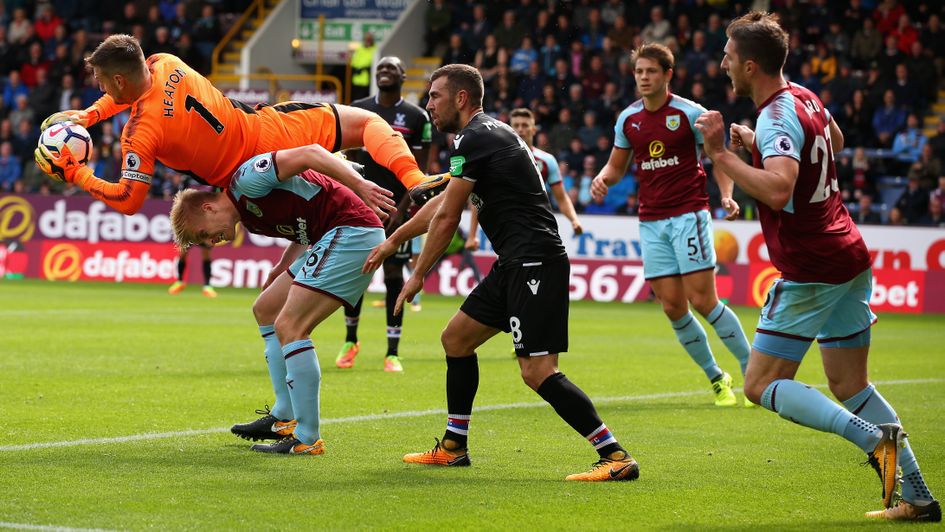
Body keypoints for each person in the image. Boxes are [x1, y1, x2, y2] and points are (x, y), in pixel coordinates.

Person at [695, 11, 938, 521]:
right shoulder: (805, 97)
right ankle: (917, 498)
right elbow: (835, 144)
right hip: (848, 253)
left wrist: (721, 153)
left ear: (751, 64)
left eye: (729, 56)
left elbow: (779, 189)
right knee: (851, 386)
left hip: (813, 266)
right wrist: (757, 144)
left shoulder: (776, 115)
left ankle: (872, 441)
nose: (723, 64)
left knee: (759, 384)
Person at [364, 64, 639, 482]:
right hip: (515, 262)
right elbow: (442, 205)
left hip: (535, 262)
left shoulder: (475, 137)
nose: (429, 105)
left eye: (435, 96)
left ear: (461, 98)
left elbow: (448, 217)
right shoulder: (482, 136)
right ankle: (454, 446)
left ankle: (615, 455)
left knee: (537, 371)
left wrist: (417, 274)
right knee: (456, 339)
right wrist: (392, 241)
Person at [33, 34, 448, 216]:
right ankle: (413, 179)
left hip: (247, 181)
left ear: (119, 80)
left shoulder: (139, 133)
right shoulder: (164, 62)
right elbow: (131, 93)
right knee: (368, 123)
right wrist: (89, 115)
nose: (99, 88)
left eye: (101, 80)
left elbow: (128, 201)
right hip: (268, 131)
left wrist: (79, 174)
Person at [170, 144, 394, 455]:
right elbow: (305, 228)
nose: (210, 242)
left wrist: (360, 185)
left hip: (353, 232)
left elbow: (310, 153)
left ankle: (307, 437)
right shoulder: (249, 218)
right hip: (333, 235)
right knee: (266, 308)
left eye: (202, 234)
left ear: (208, 208)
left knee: (290, 326)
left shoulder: (245, 180)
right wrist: (281, 267)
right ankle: (283, 417)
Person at [590, 43, 751, 407]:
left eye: (651, 71)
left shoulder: (692, 114)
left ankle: (751, 368)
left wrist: (727, 195)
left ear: (667, 75)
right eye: (639, 72)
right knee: (672, 307)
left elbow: (720, 158)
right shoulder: (628, 120)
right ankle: (717, 378)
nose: (644, 77)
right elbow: (616, 166)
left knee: (704, 301)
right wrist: (602, 179)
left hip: (688, 215)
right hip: (651, 221)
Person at [335, 56, 431, 373]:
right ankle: (350, 341)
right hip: (360, 206)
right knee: (356, 274)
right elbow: (346, 161)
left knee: (393, 277)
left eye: (391, 68)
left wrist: (401, 212)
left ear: (403, 76)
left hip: (395, 210)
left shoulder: (417, 117)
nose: (385, 72)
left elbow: (420, 171)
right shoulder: (358, 109)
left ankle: (392, 352)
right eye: (381, 69)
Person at [508, 108, 583, 235]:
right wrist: (473, 234)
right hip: (508, 226)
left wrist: (574, 220)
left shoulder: (547, 160)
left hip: (537, 225)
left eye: (525, 125)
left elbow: (561, 197)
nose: (520, 129)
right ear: (510, 129)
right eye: (516, 125)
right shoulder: (498, 158)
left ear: (533, 130)